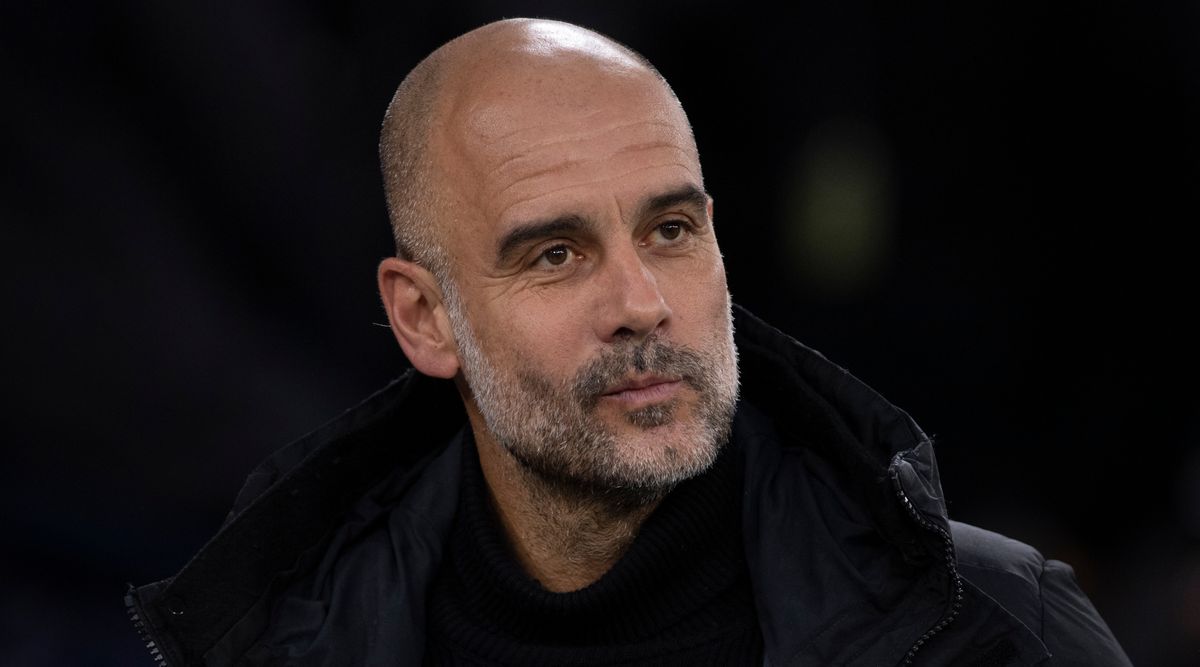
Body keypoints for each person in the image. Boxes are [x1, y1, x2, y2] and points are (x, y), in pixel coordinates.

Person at [126, 18, 1132, 666]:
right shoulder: (268, 642)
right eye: (556, 254)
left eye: (670, 231)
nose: (641, 303)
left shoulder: (999, 631)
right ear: (423, 318)